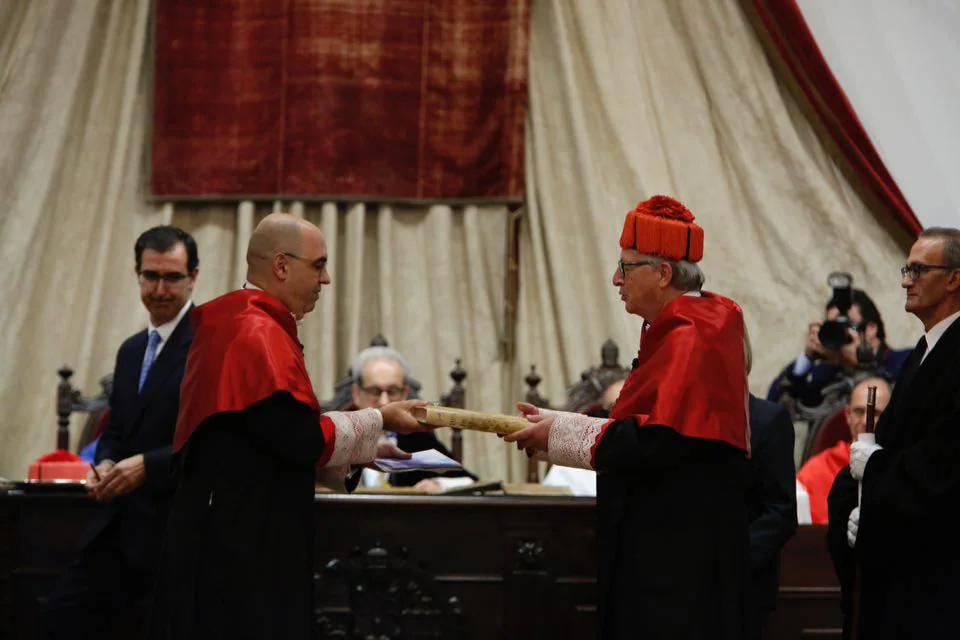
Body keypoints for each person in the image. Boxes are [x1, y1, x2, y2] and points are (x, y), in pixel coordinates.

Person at [148, 213, 429, 640]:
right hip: (242, 543)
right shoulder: (255, 330)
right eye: (318, 265)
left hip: (223, 522)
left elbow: (271, 436)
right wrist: (380, 420)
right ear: (281, 265)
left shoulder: (236, 318)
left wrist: (368, 446)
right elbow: (299, 439)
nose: (327, 278)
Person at [505, 195, 750, 639]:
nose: (616, 279)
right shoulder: (688, 324)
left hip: (675, 562)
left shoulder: (693, 334)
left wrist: (558, 435)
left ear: (663, 273)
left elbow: (655, 441)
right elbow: (648, 426)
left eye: (628, 266)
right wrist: (558, 423)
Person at [41, 226, 199, 638]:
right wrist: (105, 462)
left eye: (172, 277)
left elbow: (215, 439)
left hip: (176, 535)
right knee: (57, 617)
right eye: (151, 276)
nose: (159, 289)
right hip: (118, 526)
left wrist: (147, 465)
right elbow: (119, 429)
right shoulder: (131, 350)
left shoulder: (209, 345)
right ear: (137, 274)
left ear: (194, 277)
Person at [827, 227, 960, 639]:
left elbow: (946, 461)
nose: (906, 280)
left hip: (939, 581)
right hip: (904, 573)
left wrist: (879, 468)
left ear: (955, 278)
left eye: (919, 270)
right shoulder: (924, 351)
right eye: (907, 269)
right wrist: (858, 506)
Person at [350, 346, 476, 490]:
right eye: (374, 391)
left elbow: (469, 482)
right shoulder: (341, 436)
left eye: (393, 391)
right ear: (356, 394)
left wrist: (437, 484)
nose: (384, 401)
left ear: (404, 394)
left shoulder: (418, 440)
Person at [743, 327, 798, 639]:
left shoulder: (768, 419)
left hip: (745, 584)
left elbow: (781, 511)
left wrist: (730, 559)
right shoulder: (685, 418)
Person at [767, 289, 910, 408]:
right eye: (833, 327)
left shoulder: (906, 362)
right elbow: (774, 407)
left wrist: (861, 363)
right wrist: (807, 358)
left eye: (847, 325)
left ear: (871, 328)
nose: (840, 333)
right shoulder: (825, 372)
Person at [796, 377, 891, 524]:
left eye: (876, 413)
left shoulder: (900, 469)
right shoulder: (818, 469)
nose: (866, 421)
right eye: (859, 411)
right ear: (848, 416)